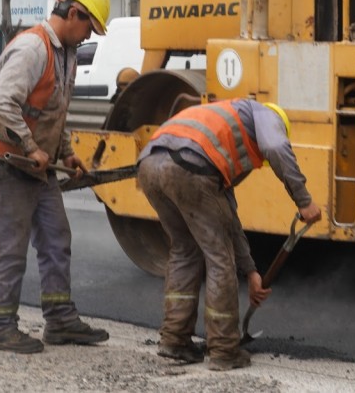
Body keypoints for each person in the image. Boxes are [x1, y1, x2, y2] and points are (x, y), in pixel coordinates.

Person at [0, 0, 112, 354]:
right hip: (6, 160)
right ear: (74, 12)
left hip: (36, 164)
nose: (87, 36)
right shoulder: (34, 47)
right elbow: (2, 102)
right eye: (89, 27)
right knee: (10, 245)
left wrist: (65, 152)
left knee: (56, 238)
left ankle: (60, 320)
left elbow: (53, 110)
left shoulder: (65, 54)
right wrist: (32, 146)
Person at [136, 99, 322, 371]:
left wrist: (251, 271)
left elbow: (229, 218)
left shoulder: (222, 125)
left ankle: (174, 341)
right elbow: (275, 146)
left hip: (149, 164)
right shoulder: (266, 115)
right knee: (220, 259)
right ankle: (224, 349)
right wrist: (303, 200)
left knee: (184, 251)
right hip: (189, 165)